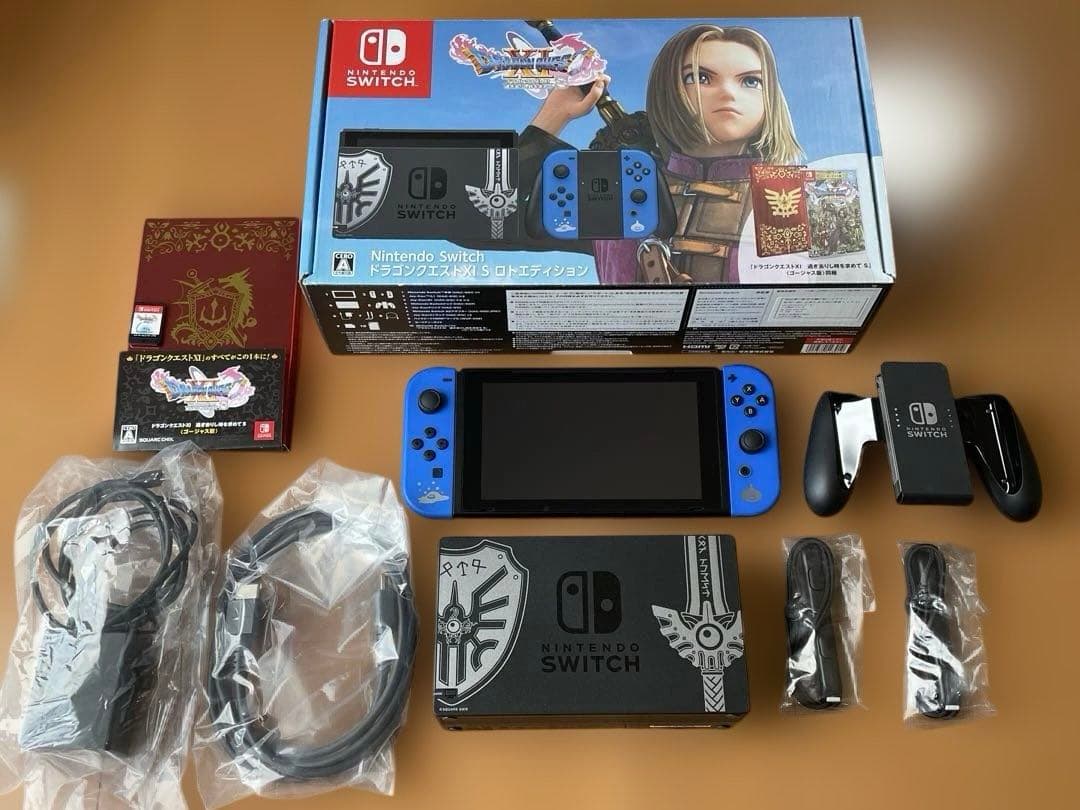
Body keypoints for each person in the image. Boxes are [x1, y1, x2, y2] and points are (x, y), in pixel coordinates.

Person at [522, 24, 802, 283]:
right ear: (667, 90)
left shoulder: (788, 194)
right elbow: (497, 219)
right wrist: (555, 113)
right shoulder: (617, 193)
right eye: (700, 77)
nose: (728, 93)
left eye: (751, 81)